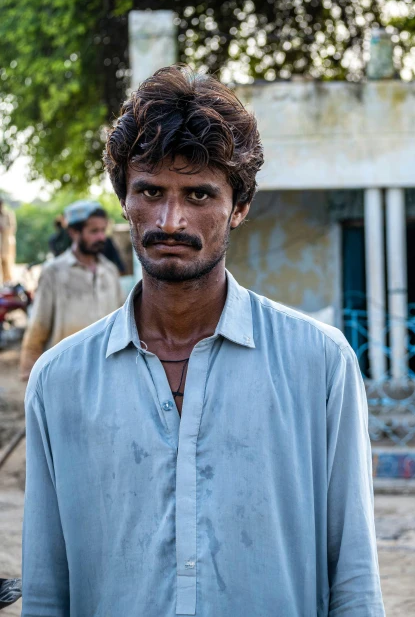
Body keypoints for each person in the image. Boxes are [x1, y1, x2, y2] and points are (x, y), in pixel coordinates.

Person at [22, 66, 385, 616]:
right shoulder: (59, 382)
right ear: (125, 200)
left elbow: (354, 580)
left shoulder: (320, 364)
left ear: (238, 207)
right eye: (150, 191)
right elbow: (47, 592)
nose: (171, 219)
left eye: (198, 194)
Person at [19, 201, 124, 380]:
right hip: (65, 374)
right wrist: (30, 373)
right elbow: (38, 327)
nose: (101, 237)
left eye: (102, 230)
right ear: (74, 233)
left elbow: (122, 322)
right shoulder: (53, 272)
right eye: (93, 231)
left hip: (105, 374)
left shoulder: (109, 271)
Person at [0, 197, 17, 284]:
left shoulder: (8, 214)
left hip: (6, 243)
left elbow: (12, 228)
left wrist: (3, 229)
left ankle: (7, 283)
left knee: (7, 264)